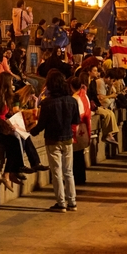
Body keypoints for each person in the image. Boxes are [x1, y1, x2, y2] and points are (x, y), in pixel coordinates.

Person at [30, 71, 80, 212]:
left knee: (56, 172)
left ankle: (61, 202)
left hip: (52, 140)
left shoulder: (47, 103)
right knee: (68, 171)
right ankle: (72, 201)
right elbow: (76, 120)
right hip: (68, 138)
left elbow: (41, 125)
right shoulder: (72, 101)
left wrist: (30, 131)